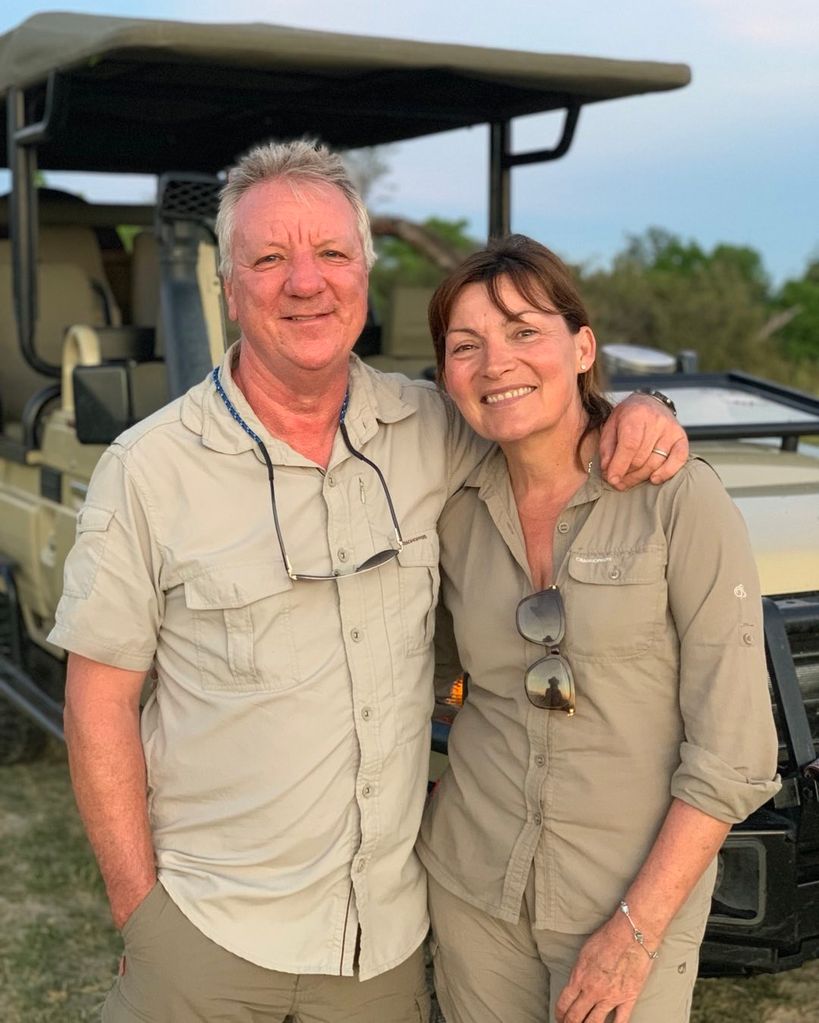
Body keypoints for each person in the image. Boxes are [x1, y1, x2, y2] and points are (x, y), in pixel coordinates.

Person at [51, 142, 687, 1023]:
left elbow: (548, 418)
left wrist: (641, 410)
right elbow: (99, 702)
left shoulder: (434, 427)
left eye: (331, 254)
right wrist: (140, 913)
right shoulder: (150, 469)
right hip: (206, 932)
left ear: (364, 271)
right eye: (269, 258)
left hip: (379, 950)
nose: (304, 282)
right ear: (229, 288)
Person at [416, 234, 781, 1023]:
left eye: (523, 332)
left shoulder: (679, 500)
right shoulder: (446, 507)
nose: (495, 363)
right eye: (464, 345)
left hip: (624, 897)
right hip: (474, 885)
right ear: (444, 375)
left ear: (582, 346)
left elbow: (733, 754)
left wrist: (634, 930)